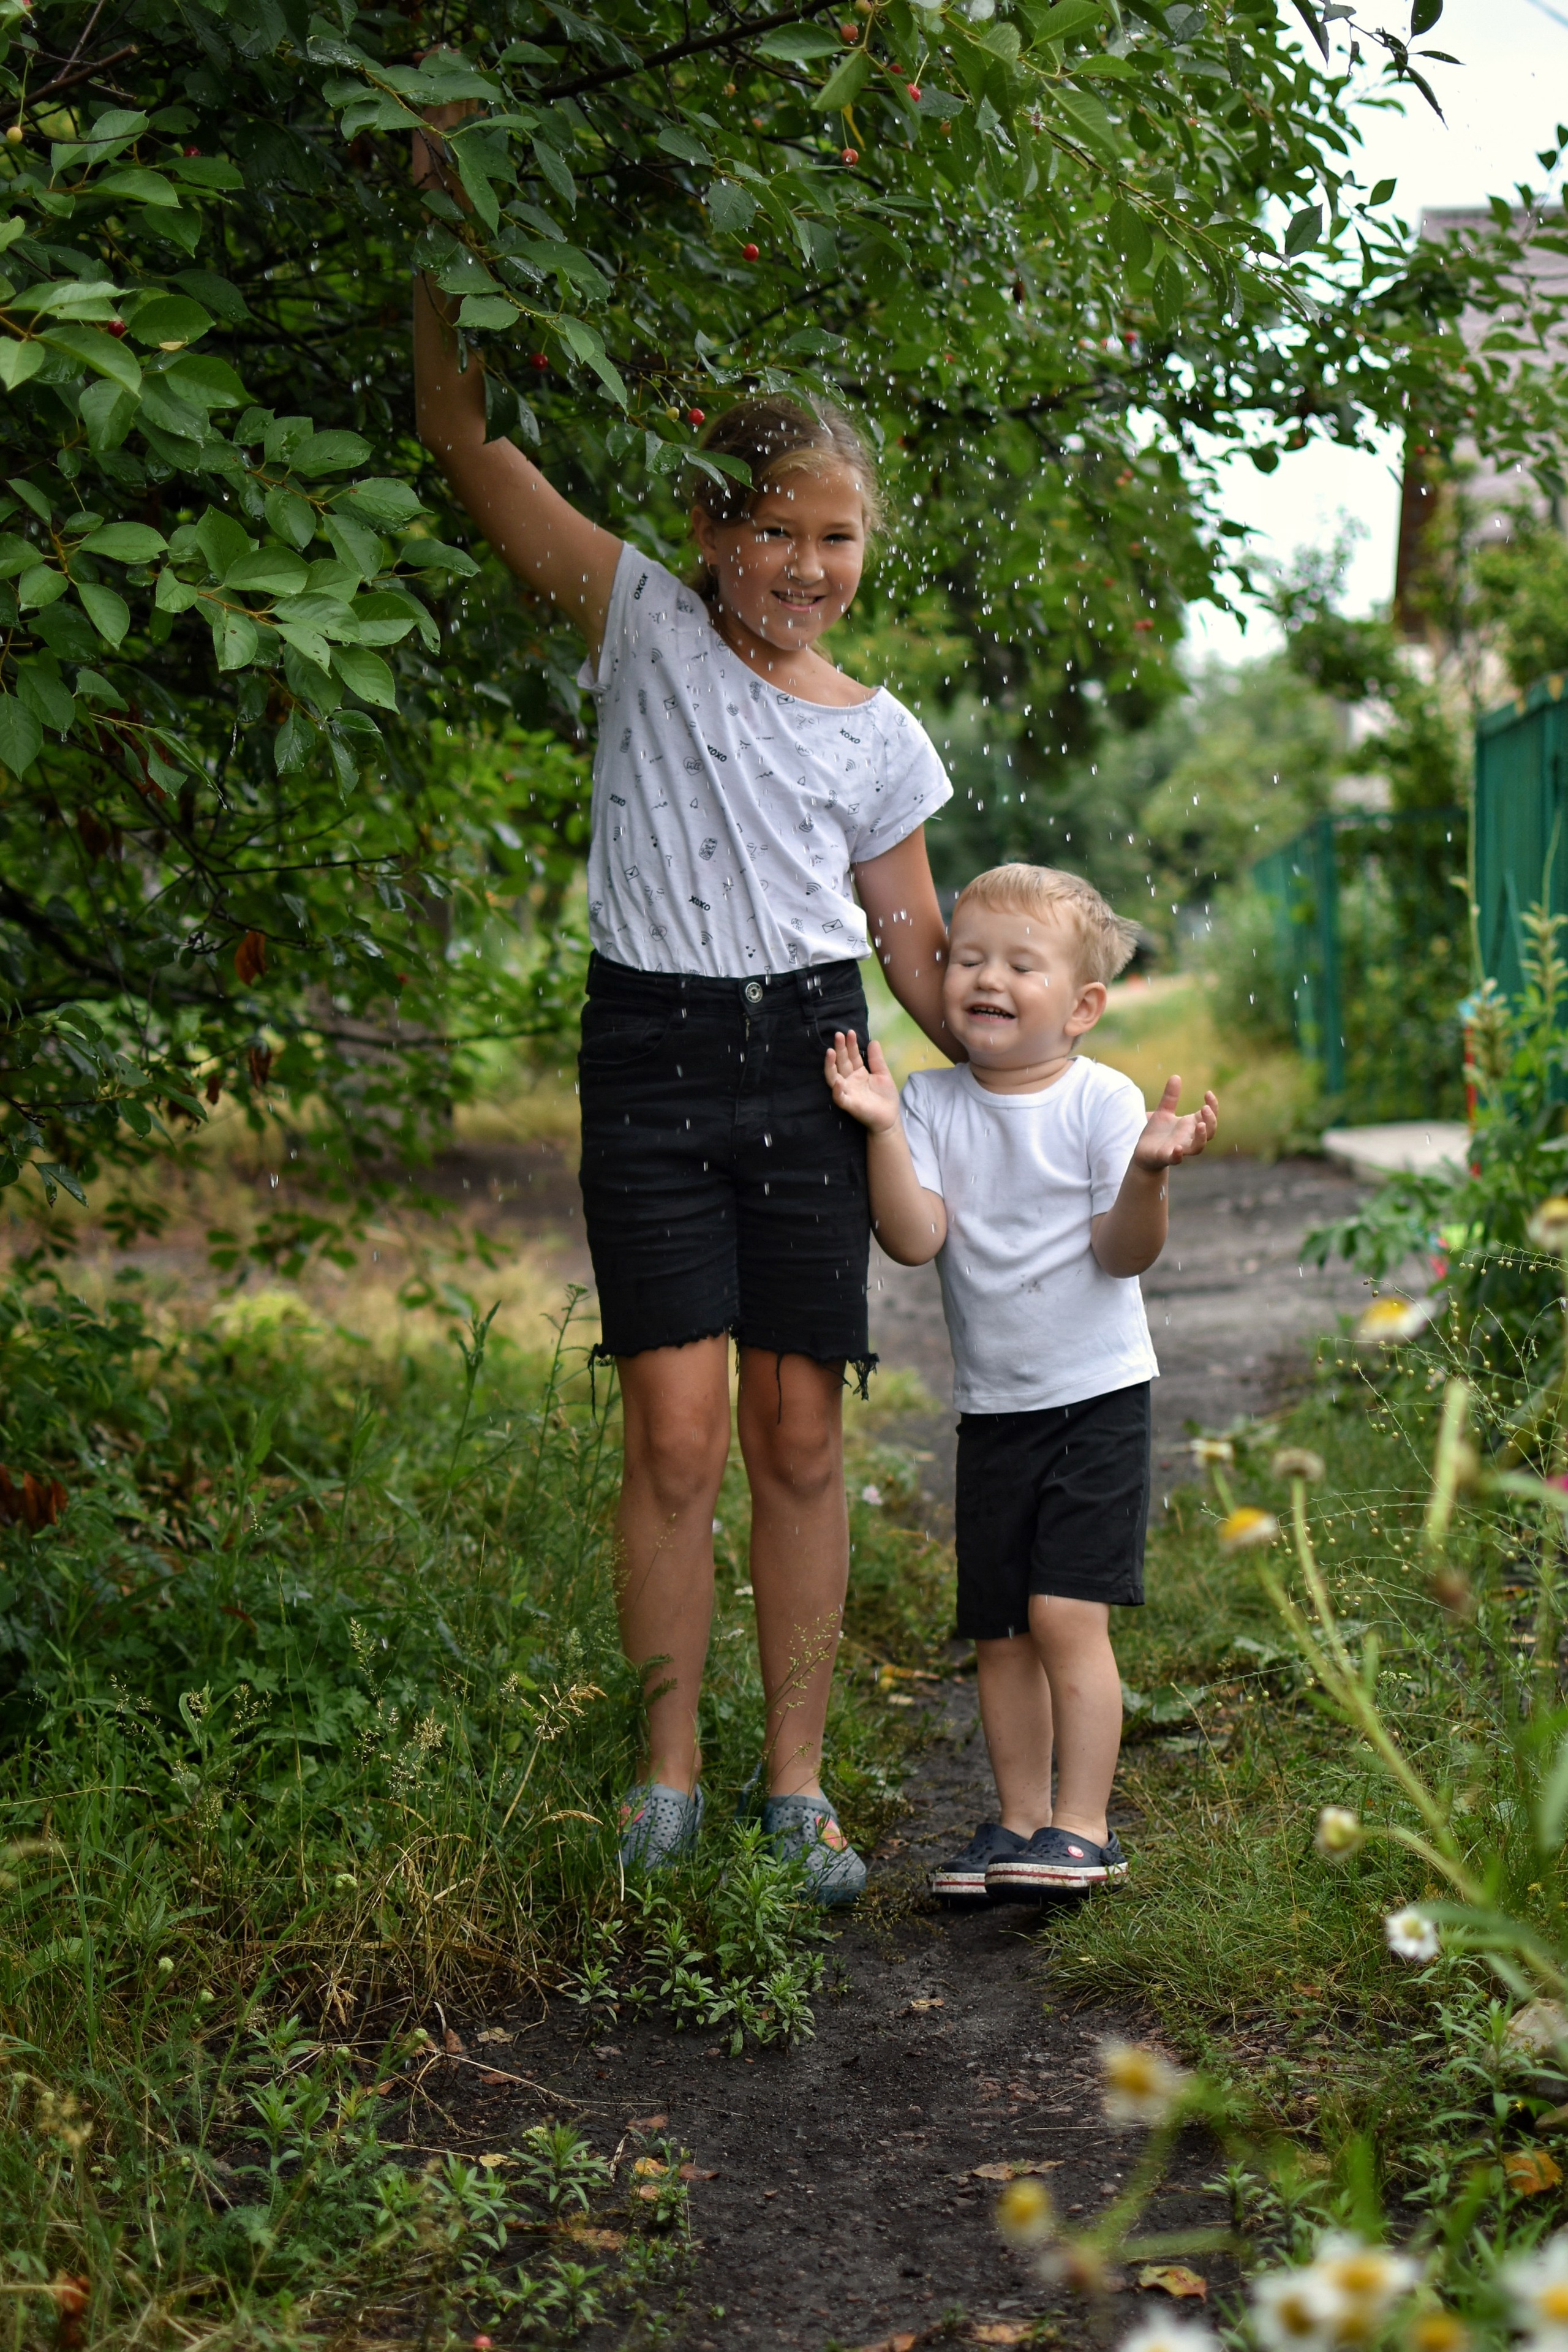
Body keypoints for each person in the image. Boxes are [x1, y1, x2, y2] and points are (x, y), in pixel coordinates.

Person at [410, 114, 955, 1903]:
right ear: (713, 526)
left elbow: (924, 964)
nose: (810, 567)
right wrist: (453, 216)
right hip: (647, 1055)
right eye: (781, 530)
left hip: (815, 1058)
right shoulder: (634, 622)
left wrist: (1050, 1037)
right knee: (675, 1428)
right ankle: (666, 1779)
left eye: (842, 538)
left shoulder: (881, 737)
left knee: (802, 1430)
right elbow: (459, 434)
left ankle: (794, 1790)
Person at [824, 864, 1218, 1896]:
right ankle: (1020, 1825)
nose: (983, 978)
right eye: (966, 958)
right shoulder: (931, 1102)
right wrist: (880, 1132)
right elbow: (916, 1241)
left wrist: (1147, 1173)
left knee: (1062, 1618)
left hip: (1096, 1399)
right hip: (995, 1408)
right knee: (997, 1629)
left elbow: (1123, 1255)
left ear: (1084, 1005)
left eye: (1019, 964)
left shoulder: (1102, 1102)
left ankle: (1087, 1829)